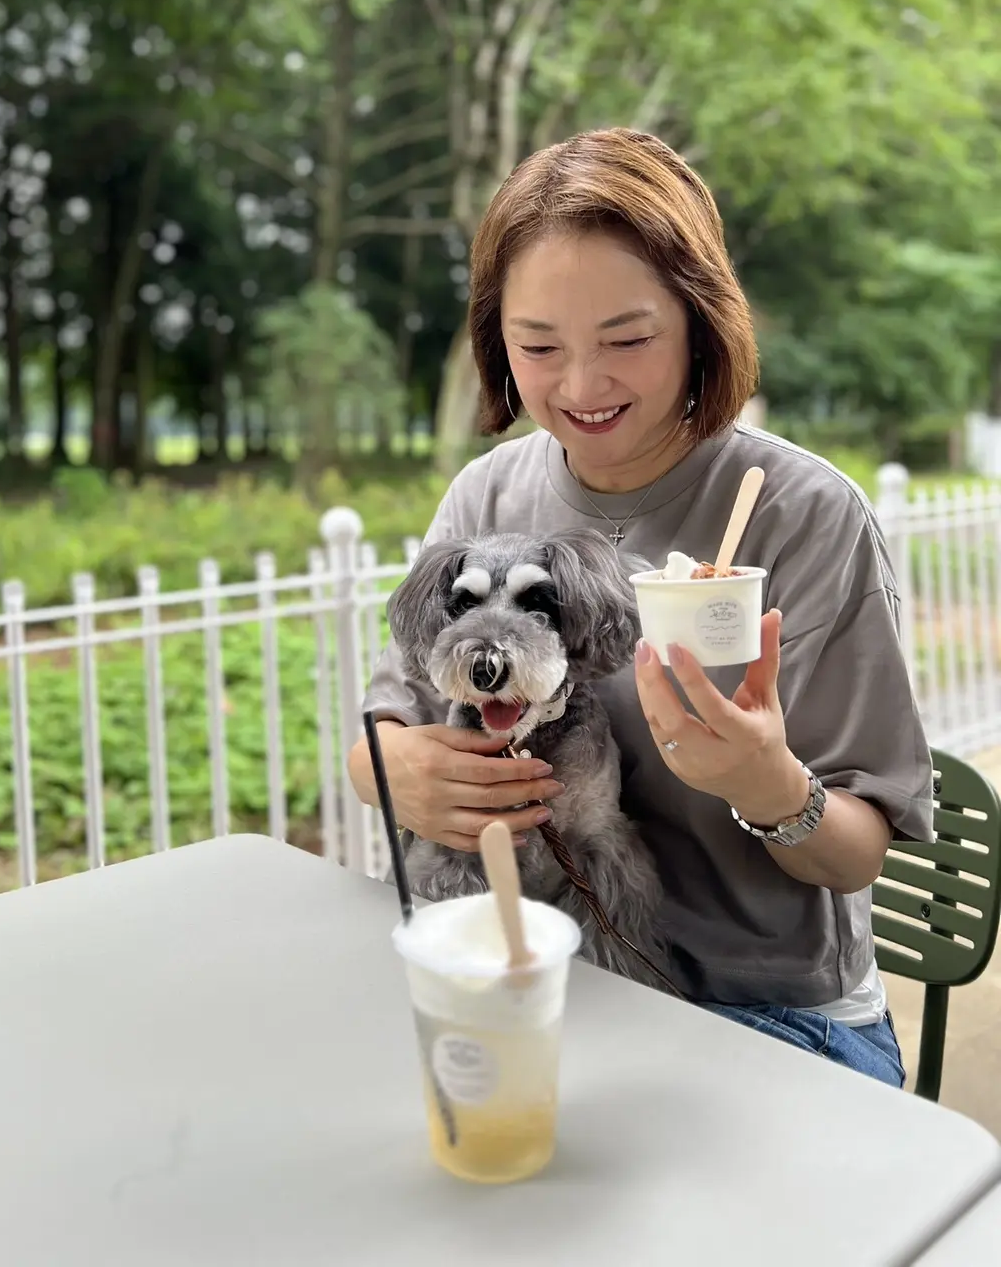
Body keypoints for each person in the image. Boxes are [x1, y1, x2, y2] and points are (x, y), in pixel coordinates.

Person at [349, 126, 933, 1087]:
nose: (582, 386)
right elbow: (381, 731)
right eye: (538, 346)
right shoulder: (485, 500)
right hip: (537, 987)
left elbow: (857, 855)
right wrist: (398, 773)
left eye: (628, 339)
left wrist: (769, 788)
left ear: (701, 320)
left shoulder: (806, 517)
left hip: (767, 1014)